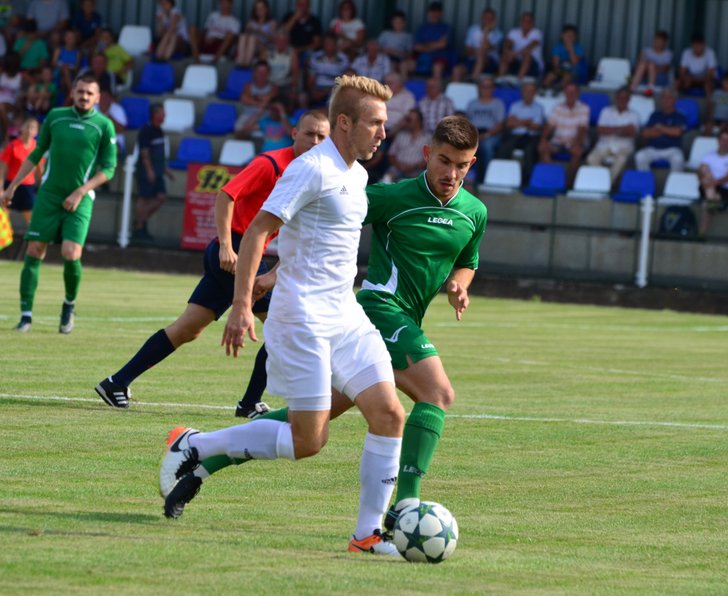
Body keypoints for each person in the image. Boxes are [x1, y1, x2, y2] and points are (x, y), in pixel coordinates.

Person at [164, 116, 486, 549]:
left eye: (461, 165)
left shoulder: (475, 212)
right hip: (378, 311)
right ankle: (405, 509)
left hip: (407, 319)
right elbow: (324, 226)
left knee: (310, 428)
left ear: (473, 163)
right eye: (444, 161)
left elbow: (468, 259)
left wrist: (458, 286)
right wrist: (277, 272)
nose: (451, 174)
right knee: (437, 393)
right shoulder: (391, 196)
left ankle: (202, 461)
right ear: (427, 155)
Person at [159, 76, 406, 557]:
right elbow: (256, 233)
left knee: (390, 413)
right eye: (375, 123)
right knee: (307, 441)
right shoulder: (310, 169)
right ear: (344, 122)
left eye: (384, 124)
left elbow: (315, 249)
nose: (383, 133)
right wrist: (241, 304)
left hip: (346, 314)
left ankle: (366, 536)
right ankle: (195, 443)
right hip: (304, 319)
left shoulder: (357, 175)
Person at [96, 110, 330, 412]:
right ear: (294, 133)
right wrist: (224, 246)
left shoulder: (309, 174)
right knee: (283, 328)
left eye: (321, 136)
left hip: (245, 253)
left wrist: (272, 269)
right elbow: (225, 195)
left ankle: (116, 382)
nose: (314, 140)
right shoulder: (270, 164)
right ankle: (249, 403)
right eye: (309, 133)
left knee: (187, 329)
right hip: (236, 251)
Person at [2, 74, 116, 334]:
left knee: (71, 252)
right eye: (80, 91)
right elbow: (37, 153)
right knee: (34, 250)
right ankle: (26, 315)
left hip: (81, 197)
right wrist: (12, 186)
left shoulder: (103, 125)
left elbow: (109, 169)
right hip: (49, 195)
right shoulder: (55, 116)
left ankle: (68, 306)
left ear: (98, 97)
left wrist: (81, 191)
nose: (84, 96)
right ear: (73, 93)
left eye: (90, 93)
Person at [537, 81, 590, 186]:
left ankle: (568, 184)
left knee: (577, 152)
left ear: (578, 93)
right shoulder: (557, 107)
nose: (570, 95)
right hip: (558, 141)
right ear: (564, 93)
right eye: (568, 92)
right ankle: (555, 178)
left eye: (573, 92)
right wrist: (543, 140)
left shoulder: (584, 108)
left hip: (574, 141)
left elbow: (582, 129)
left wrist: (577, 143)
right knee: (542, 148)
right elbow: (549, 126)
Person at [585, 86, 640, 183]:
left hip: (624, 147)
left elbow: (631, 133)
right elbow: (601, 130)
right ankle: (605, 178)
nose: (622, 100)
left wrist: (611, 129)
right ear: (615, 98)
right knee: (591, 158)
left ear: (629, 100)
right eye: (620, 97)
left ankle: (607, 184)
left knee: (622, 159)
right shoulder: (606, 111)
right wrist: (622, 129)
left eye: (625, 98)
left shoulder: (634, 115)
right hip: (604, 146)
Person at [133, 103, 169, 241]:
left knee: (161, 197)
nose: (165, 116)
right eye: (162, 113)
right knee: (144, 198)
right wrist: (149, 170)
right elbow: (144, 153)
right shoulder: (146, 130)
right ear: (155, 114)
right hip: (146, 171)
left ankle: (139, 221)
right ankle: (139, 227)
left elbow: (158, 152)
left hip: (158, 171)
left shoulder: (159, 130)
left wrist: (165, 170)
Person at [696, 129, 728, 236]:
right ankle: (712, 199)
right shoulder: (708, 155)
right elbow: (700, 172)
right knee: (705, 171)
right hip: (707, 186)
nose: (725, 143)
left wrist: (714, 183)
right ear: (718, 141)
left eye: (727, 140)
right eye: (723, 140)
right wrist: (706, 181)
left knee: (708, 202)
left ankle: (701, 233)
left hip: (726, 191)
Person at [497, 79, 543, 182]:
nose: (528, 94)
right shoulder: (515, 106)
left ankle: (526, 180)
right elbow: (509, 124)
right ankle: (502, 177)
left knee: (530, 151)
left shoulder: (538, 108)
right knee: (503, 148)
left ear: (535, 93)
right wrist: (527, 122)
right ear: (522, 92)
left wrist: (518, 121)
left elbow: (536, 126)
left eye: (531, 91)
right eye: (526, 91)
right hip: (515, 136)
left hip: (531, 137)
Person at [0, 116, 41, 227]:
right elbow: (2, 169)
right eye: (27, 126)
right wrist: (1, 189)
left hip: (27, 188)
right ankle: (4, 242)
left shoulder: (37, 148)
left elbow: (40, 170)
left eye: (33, 128)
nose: (29, 130)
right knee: (3, 219)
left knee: (31, 221)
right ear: (22, 128)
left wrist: (43, 187)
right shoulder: (12, 146)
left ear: (37, 131)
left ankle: (33, 242)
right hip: (11, 185)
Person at [634, 89, 687, 171]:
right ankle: (647, 181)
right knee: (640, 156)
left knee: (678, 159)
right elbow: (645, 133)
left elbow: (677, 132)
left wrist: (659, 128)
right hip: (654, 148)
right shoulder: (655, 115)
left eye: (668, 98)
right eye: (663, 98)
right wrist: (668, 131)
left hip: (672, 149)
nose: (665, 100)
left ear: (674, 100)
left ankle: (674, 183)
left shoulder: (680, 116)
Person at [465, 76, 505, 182]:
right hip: (474, 133)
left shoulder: (498, 104)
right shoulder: (472, 103)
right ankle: (464, 178)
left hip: (491, 134)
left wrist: (485, 135)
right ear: (479, 88)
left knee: (487, 146)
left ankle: (484, 178)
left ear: (493, 89)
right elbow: (467, 122)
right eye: (483, 87)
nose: (485, 89)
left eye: (488, 87)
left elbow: (500, 125)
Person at [452, 7, 502, 82]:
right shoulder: (473, 30)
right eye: (486, 18)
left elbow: (486, 48)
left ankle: (473, 82)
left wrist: (486, 31)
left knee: (481, 56)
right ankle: (454, 92)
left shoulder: (498, 33)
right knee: (457, 70)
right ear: (482, 18)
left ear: (494, 20)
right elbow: (467, 51)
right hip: (472, 59)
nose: (488, 20)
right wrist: (477, 52)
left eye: (490, 18)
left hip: (490, 62)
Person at [306, 32, 349, 107]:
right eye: (326, 43)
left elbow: (345, 80)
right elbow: (310, 79)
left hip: (335, 89)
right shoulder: (315, 57)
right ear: (323, 44)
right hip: (318, 88)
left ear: (335, 45)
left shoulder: (343, 59)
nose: (328, 45)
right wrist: (313, 91)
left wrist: (327, 91)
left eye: (331, 43)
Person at [384, 108, 428, 181]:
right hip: (397, 170)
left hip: (417, 172)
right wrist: (399, 166)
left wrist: (413, 167)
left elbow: (429, 159)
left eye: (409, 119)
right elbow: (391, 155)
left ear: (418, 122)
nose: (406, 122)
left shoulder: (428, 138)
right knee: (386, 180)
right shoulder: (401, 135)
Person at [498, 11, 543, 81]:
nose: (526, 23)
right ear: (520, 22)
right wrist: (508, 51)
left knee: (527, 55)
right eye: (524, 20)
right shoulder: (514, 32)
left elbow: (530, 47)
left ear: (533, 23)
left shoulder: (537, 33)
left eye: (529, 21)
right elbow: (507, 43)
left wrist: (515, 54)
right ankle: (500, 80)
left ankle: (518, 82)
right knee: (505, 55)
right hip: (517, 62)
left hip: (533, 65)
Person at [412, 1, 452, 79]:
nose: (435, 14)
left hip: (439, 57)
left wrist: (425, 46)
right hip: (421, 57)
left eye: (437, 12)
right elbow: (416, 47)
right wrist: (434, 45)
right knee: (405, 65)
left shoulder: (446, 28)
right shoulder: (422, 28)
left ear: (441, 13)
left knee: (437, 67)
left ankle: (435, 90)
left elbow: (443, 44)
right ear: (429, 13)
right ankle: (403, 90)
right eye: (433, 11)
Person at [542, 24, 587, 90]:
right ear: (562, 35)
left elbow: (575, 62)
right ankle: (544, 91)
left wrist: (571, 49)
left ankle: (558, 90)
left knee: (567, 77)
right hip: (561, 70)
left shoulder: (578, 48)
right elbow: (555, 64)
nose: (569, 37)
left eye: (572, 36)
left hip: (575, 71)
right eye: (567, 35)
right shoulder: (557, 47)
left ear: (575, 38)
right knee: (550, 76)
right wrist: (557, 71)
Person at [235, 0, 277, 68]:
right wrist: (248, 30)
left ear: (266, 9)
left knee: (253, 39)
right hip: (251, 45)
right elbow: (246, 36)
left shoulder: (272, 23)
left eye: (261, 8)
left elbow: (273, 39)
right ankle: (242, 61)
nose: (259, 10)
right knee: (243, 36)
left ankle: (246, 63)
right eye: (257, 9)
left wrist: (260, 32)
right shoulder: (251, 22)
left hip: (264, 45)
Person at [377, 10, 413, 77]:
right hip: (385, 58)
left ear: (404, 23)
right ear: (392, 23)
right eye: (396, 22)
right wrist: (386, 50)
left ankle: (402, 85)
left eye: (400, 22)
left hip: (399, 59)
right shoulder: (385, 34)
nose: (398, 24)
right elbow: (376, 47)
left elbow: (409, 53)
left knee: (401, 65)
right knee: (390, 64)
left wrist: (398, 52)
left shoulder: (407, 36)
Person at [704, 70, 728, 135]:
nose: (727, 84)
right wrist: (710, 119)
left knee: (727, 128)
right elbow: (711, 107)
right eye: (725, 82)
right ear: (722, 82)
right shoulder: (717, 93)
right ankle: (705, 142)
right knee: (708, 126)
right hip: (715, 119)